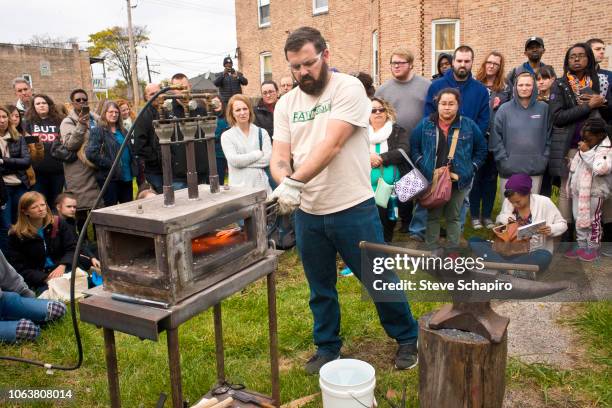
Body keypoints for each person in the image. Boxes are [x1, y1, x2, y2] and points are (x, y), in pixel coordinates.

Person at [270, 27, 419, 373]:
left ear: (325, 54)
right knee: (320, 286)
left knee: (378, 279)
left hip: (353, 206)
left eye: (308, 63)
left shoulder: (349, 88)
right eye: (295, 67)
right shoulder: (286, 104)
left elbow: (333, 144)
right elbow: (279, 155)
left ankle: (407, 337)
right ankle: (327, 346)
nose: (303, 72)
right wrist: (284, 183)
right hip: (308, 212)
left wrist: (294, 180)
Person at [548, 43, 612, 241]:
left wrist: (602, 103)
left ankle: (605, 233)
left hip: (600, 147)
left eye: (581, 55)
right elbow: (557, 117)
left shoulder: (602, 81)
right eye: (572, 56)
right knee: (569, 189)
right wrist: (587, 107)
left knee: (602, 187)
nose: (576, 59)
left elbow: (610, 113)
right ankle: (568, 235)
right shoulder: (560, 85)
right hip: (573, 147)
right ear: (567, 61)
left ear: (589, 59)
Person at [424, 45, 490, 235]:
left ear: (472, 63)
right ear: (453, 62)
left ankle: (456, 230)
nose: (462, 64)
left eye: (467, 61)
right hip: (438, 149)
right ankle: (423, 232)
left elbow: (484, 121)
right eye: (459, 60)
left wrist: (467, 141)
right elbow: (428, 115)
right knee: (432, 192)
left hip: (465, 151)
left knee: (462, 195)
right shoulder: (436, 86)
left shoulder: (480, 91)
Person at [411, 88, 487, 250]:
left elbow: (481, 150)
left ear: (458, 105)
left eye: (451, 103)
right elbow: (414, 147)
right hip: (434, 179)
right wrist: (423, 164)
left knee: (454, 217)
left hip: (458, 180)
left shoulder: (468, 125)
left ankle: (453, 253)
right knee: (433, 217)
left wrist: (471, 168)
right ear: (437, 105)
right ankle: (432, 251)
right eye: (443, 103)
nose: (447, 107)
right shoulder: (426, 124)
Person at [375, 47, 431, 238]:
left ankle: (415, 221)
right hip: (394, 143)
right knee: (400, 181)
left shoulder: (425, 85)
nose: (396, 66)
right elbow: (376, 113)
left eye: (401, 63)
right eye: (393, 63)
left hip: (420, 141)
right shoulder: (383, 89)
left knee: (416, 181)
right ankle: (401, 219)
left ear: (411, 64)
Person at [469, 173, 567, 272]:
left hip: (531, 252)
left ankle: (501, 267)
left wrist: (551, 228)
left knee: (544, 256)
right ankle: (514, 270)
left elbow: (562, 224)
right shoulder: (508, 201)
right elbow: (501, 221)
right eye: (512, 202)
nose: (515, 205)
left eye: (518, 202)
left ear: (528, 193)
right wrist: (506, 221)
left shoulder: (544, 202)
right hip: (507, 249)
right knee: (474, 241)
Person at [490, 71, 551, 196]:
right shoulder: (504, 109)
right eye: (521, 85)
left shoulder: (544, 108)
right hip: (509, 168)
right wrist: (503, 161)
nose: (524, 88)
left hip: (535, 167)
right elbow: (495, 137)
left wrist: (543, 159)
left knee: (532, 208)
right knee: (509, 210)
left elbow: (549, 137)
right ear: (515, 87)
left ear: (534, 86)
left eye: (528, 85)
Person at [471, 51, 510, 229]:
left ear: (500, 67)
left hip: (495, 139)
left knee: (490, 179)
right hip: (476, 139)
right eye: (489, 62)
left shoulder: (505, 89)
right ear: (484, 64)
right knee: (476, 178)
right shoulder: (474, 85)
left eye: (496, 63)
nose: (491, 65)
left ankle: (486, 215)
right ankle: (473, 215)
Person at [7, 192, 76, 292]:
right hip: (38, 277)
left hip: (62, 269)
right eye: (34, 207)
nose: (41, 209)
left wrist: (63, 265)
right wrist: (44, 278)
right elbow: (18, 267)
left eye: (43, 205)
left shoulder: (58, 223)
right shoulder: (17, 235)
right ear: (25, 211)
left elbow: (72, 248)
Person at [564, 118, 611, 261]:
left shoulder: (606, 149)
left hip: (596, 191)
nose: (585, 141)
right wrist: (572, 163)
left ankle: (593, 248)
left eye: (589, 139)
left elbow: (600, 168)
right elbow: (581, 165)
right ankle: (581, 245)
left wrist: (585, 153)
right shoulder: (587, 146)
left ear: (600, 135)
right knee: (579, 218)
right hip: (579, 189)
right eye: (583, 138)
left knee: (592, 220)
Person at [0, 248, 66, 343]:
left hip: (3, 301)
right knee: (28, 331)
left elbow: (9, 277)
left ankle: (12, 318)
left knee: (57, 308)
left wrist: (30, 299)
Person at [368, 97, 410, 242]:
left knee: (387, 220)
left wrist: (380, 158)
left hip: (391, 186)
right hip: (366, 186)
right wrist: (368, 157)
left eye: (381, 109)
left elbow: (403, 151)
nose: (378, 112)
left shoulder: (397, 130)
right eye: (373, 110)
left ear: (387, 112)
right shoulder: (359, 132)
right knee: (369, 220)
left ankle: (385, 246)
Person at [59, 89, 101, 232]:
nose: (82, 102)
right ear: (72, 103)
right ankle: (82, 243)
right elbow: (70, 144)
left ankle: (98, 240)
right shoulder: (67, 121)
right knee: (80, 209)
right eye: (78, 100)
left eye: (84, 99)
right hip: (78, 171)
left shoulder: (95, 118)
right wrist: (81, 125)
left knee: (98, 208)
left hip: (95, 167)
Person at [86, 101, 136, 206]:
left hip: (126, 176)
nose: (114, 115)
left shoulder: (123, 131)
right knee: (111, 210)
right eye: (111, 112)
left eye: (116, 112)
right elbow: (91, 153)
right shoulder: (98, 131)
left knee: (128, 209)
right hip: (110, 177)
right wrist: (111, 164)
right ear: (104, 113)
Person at [221, 95, 272, 196]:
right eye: (238, 110)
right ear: (232, 113)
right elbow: (234, 161)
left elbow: (268, 159)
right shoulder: (227, 136)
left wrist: (241, 163)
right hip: (239, 192)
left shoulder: (262, 133)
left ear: (250, 110)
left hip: (262, 189)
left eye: (245, 108)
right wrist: (257, 154)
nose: (242, 113)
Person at [168, 73, 210, 189]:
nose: (182, 91)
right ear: (172, 90)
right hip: (178, 175)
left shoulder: (200, 109)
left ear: (190, 87)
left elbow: (208, 138)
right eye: (178, 88)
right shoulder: (167, 112)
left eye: (184, 87)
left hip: (200, 172)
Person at [24, 94, 65, 207]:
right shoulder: (28, 122)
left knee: (56, 203)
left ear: (49, 105)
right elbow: (26, 144)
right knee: (40, 203)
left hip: (57, 169)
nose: (41, 105)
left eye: (44, 103)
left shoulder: (59, 121)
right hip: (38, 171)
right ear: (33, 107)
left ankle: (56, 224)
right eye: (38, 103)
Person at [0, 106, 31, 252]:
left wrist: (4, 161)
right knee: (6, 225)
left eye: (4, 117)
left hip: (20, 185)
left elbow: (26, 162)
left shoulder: (18, 137)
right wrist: (14, 163)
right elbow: (20, 163)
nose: (2, 121)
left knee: (22, 222)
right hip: (2, 188)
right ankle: (9, 260)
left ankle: (23, 255)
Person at [54, 192, 100, 271]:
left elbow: (78, 241)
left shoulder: (70, 220)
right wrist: (83, 255)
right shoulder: (55, 223)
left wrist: (92, 257)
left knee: (99, 249)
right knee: (85, 261)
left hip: (74, 250)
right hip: (64, 258)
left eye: (74, 207)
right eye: (69, 207)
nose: (72, 209)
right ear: (58, 207)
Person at [134, 83, 163, 193]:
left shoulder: (167, 111)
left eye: (158, 93)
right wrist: (156, 159)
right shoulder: (143, 116)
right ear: (146, 97)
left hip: (172, 167)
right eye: (152, 94)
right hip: (155, 170)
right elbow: (139, 145)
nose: (156, 96)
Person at [7, 104, 42, 188]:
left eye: (17, 116)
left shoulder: (25, 135)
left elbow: (36, 159)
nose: (15, 119)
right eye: (11, 116)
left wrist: (39, 146)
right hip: (5, 180)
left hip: (24, 180)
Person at [211, 95, 230, 185]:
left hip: (229, 153)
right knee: (220, 181)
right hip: (217, 154)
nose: (216, 104)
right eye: (213, 102)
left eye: (218, 102)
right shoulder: (210, 118)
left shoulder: (228, 117)